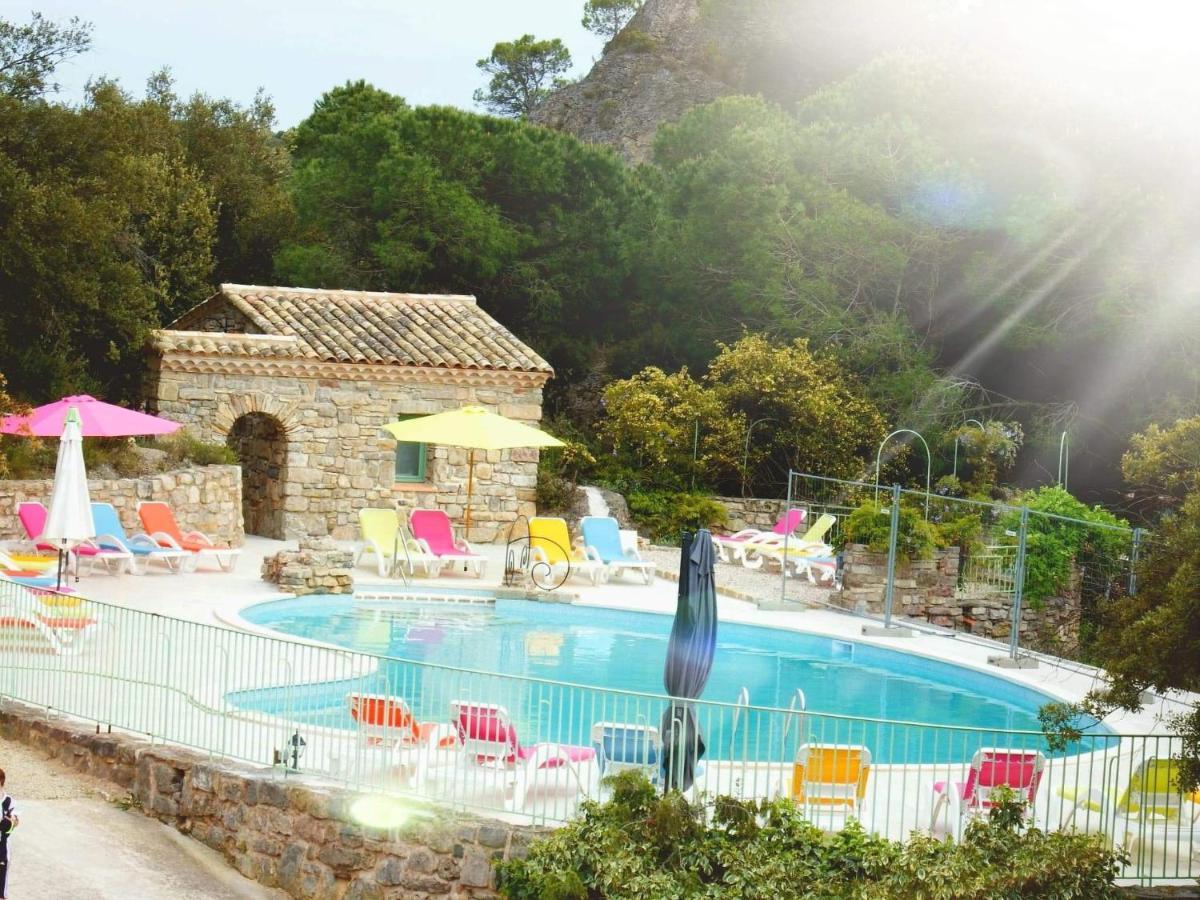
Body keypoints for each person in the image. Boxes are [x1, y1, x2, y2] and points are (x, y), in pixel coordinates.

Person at [0, 768, 17, 900]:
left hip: (3, 848)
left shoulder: (9, 801)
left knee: (1, 891)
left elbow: (15, 822)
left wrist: (11, 822)